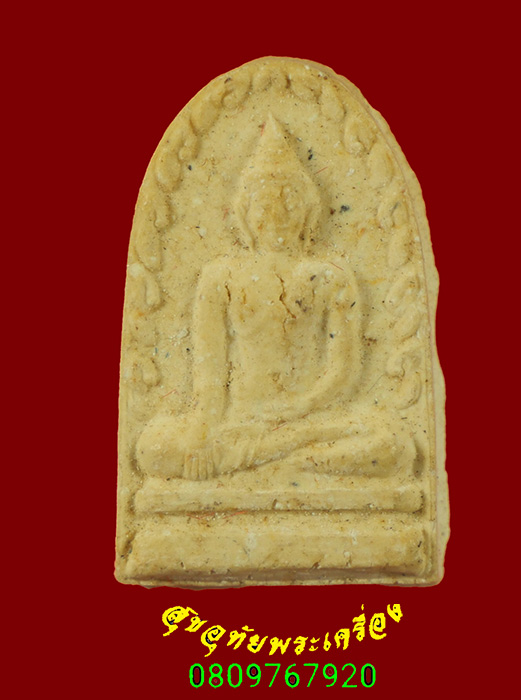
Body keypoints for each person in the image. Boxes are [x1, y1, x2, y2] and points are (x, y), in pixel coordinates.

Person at [137, 117, 414, 480]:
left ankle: (274, 464)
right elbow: (210, 376)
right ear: (245, 211)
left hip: (311, 419)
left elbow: (344, 372)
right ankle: (293, 464)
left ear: (309, 208)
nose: (278, 213)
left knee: (393, 443)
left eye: (290, 200)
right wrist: (201, 434)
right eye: (265, 201)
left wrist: (298, 410)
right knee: (152, 448)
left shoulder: (330, 276)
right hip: (240, 421)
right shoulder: (221, 276)